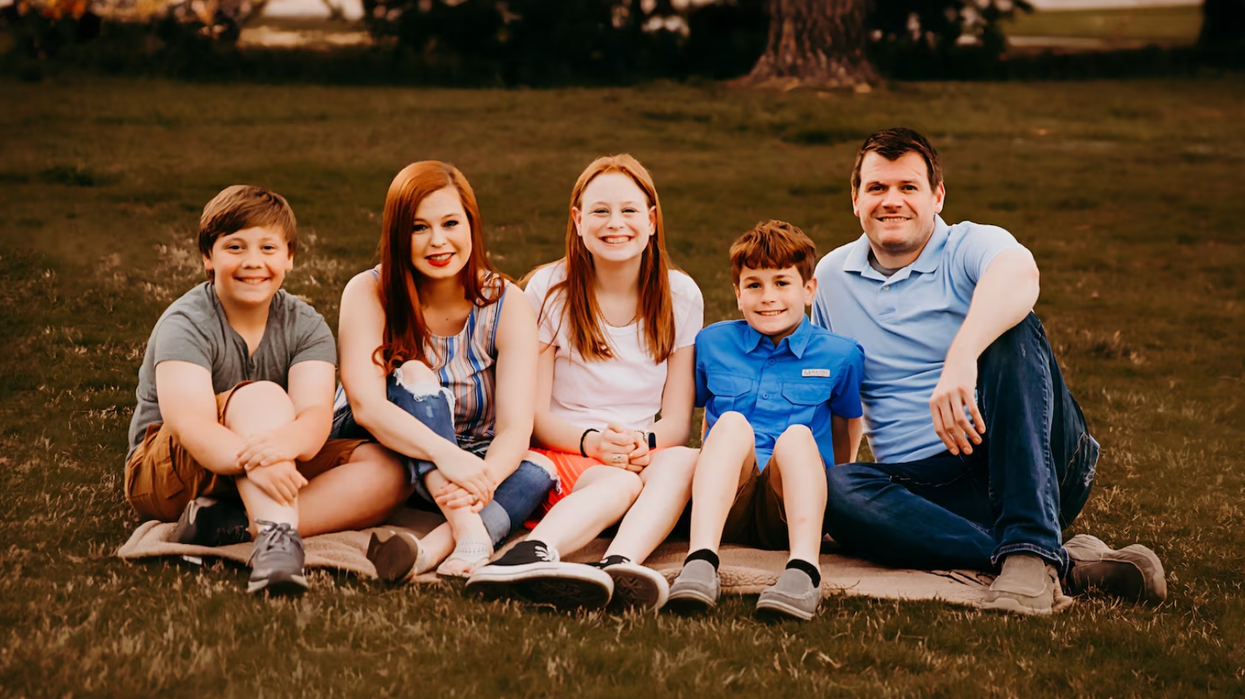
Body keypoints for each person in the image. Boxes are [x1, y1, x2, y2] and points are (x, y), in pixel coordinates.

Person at [812, 127, 1167, 615]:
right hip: (933, 491)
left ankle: (1030, 539)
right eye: (877, 188)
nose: (891, 201)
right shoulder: (831, 277)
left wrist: (962, 356)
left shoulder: (970, 244)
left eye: (908, 187)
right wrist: (846, 489)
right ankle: (1051, 559)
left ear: (937, 197)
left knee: (1010, 327)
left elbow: (1021, 274)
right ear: (855, 200)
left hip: (1035, 458)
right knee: (828, 485)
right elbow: (841, 388)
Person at [124, 185, 412, 595]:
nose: (253, 262)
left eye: (268, 248)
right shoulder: (185, 322)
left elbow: (314, 419)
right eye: (235, 247)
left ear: (289, 257)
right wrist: (263, 460)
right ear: (209, 256)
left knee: (389, 471)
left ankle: (226, 524)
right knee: (262, 395)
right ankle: (277, 541)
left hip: (270, 459)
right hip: (173, 468)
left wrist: (279, 450)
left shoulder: (305, 325)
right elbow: (191, 424)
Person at [465, 154, 703, 611]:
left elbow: (676, 421)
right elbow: (533, 415)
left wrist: (641, 440)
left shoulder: (681, 295)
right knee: (620, 486)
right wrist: (593, 442)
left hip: (636, 450)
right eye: (600, 211)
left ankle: (619, 565)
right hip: (564, 450)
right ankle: (527, 556)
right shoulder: (549, 289)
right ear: (577, 221)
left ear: (652, 221)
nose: (616, 223)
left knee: (685, 462)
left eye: (630, 210)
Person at [332, 161, 555, 579]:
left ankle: (428, 551)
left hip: (468, 460)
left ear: (471, 225)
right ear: (398, 234)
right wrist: (446, 456)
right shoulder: (369, 291)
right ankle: (471, 529)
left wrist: (480, 476)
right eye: (419, 228)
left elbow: (514, 428)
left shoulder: (506, 302)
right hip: (380, 447)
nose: (438, 241)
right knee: (414, 372)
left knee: (538, 471)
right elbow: (367, 407)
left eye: (450, 223)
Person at [662, 220, 863, 621]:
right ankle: (701, 561)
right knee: (732, 423)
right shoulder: (712, 342)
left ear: (808, 290)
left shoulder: (841, 354)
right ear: (737, 294)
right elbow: (707, 421)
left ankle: (805, 569)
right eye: (754, 285)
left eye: (782, 283)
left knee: (798, 437)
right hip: (728, 500)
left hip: (787, 504)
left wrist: (838, 496)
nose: (767, 297)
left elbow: (847, 425)